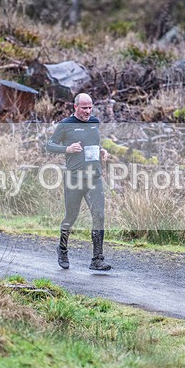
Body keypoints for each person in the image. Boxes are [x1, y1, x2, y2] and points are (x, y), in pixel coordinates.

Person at [46, 93, 110, 271]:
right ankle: (62, 249)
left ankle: (97, 259)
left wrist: (102, 151)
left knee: (99, 215)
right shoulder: (65, 125)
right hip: (74, 179)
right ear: (75, 107)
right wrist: (67, 148)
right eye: (84, 108)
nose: (88, 111)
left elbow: (92, 144)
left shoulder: (94, 122)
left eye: (90, 108)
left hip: (94, 178)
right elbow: (49, 145)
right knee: (71, 216)